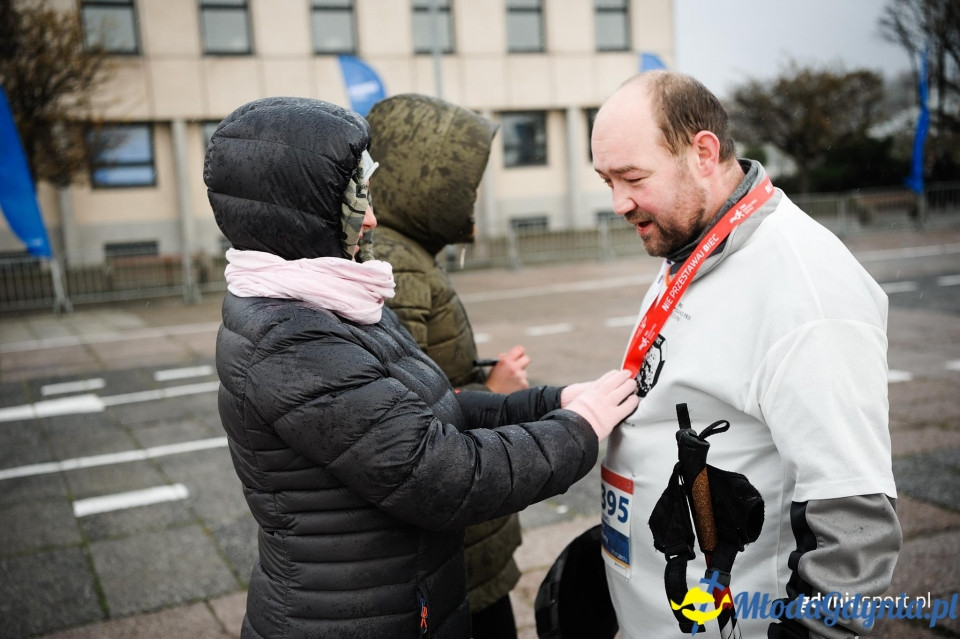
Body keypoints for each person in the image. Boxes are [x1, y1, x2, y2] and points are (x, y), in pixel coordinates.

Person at [204, 95, 639, 639]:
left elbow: (433, 408)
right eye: (353, 199)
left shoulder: (333, 300)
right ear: (301, 212)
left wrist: (552, 402)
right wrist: (580, 430)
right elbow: (441, 474)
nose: (373, 217)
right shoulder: (294, 339)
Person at [590, 71, 902, 638]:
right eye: (605, 180)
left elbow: (854, 530)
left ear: (703, 153)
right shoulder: (691, 245)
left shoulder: (806, 292)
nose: (617, 203)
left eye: (632, 177)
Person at [366, 93, 529, 639]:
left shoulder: (405, 253)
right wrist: (494, 389)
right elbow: (401, 413)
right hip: (456, 545)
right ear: (425, 178)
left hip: (463, 536)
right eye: (465, 179)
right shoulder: (396, 265)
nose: (474, 195)